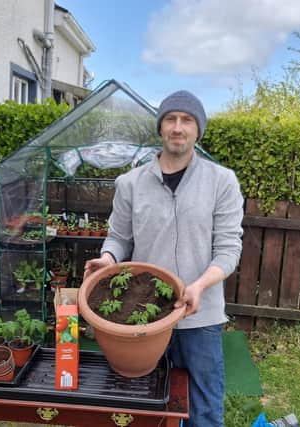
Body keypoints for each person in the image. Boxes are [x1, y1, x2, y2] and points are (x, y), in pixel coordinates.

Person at [83, 90, 244, 426]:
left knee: (204, 408)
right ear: (160, 128)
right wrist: (107, 258)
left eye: (187, 120)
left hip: (200, 314)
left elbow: (229, 248)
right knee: (145, 405)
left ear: (198, 130)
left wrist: (199, 285)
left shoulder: (222, 182)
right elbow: (119, 237)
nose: (177, 127)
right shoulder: (131, 183)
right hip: (143, 314)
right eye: (170, 119)